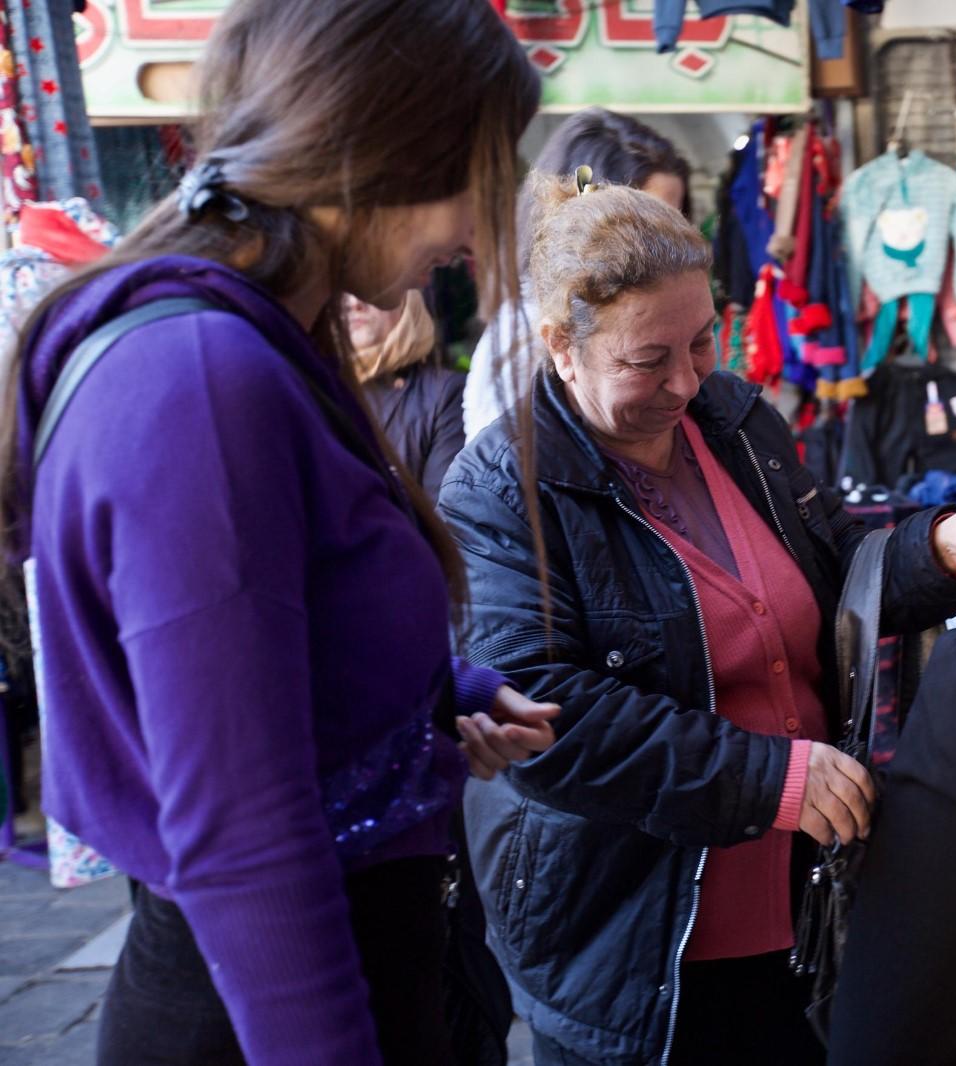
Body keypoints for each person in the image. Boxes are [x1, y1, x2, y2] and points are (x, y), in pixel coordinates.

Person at [0, 3, 556, 1065]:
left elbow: (264, 652)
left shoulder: (254, 349)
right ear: (383, 158)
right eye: (477, 179)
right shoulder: (204, 381)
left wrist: (441, 693)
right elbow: (239, 834)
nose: (479, 234)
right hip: (269, 1009)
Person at [439, 174, 956, 1066]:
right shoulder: (501, 491)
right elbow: (541, 714)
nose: (686, 380)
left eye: (703, 342)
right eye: (649, 360)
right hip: (631, 937)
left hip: (796, 909)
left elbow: (833, 561)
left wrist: (938, 551)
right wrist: (768, 781)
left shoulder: (733, 420)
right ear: (558, 348)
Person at [462, 107, 692, 441]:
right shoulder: (530, 329)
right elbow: (502, 471)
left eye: (673, 222)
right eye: (645, 223)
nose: (666, 242)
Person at [349, 291, 466, 503]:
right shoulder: (313, 382)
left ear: (408, 302)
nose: (355, 303)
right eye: (343, 290)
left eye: (371, 286)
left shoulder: (443, 393)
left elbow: (444, 515)